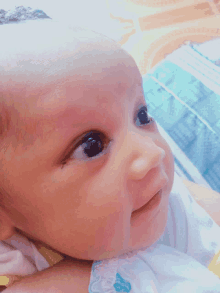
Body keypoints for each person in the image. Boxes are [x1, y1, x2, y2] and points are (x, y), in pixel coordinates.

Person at [0, 19, 220, 293]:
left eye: (141, 116)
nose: (152, 152)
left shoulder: (165, 196)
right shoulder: (17, 269)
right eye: (92, 145)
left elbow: (201, 205)